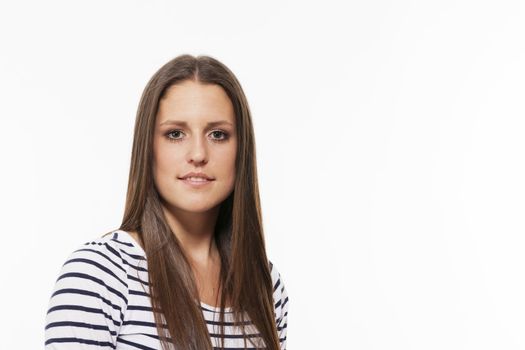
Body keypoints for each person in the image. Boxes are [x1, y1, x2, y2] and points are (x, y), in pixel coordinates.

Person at [44, 54, 289, 350]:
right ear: (148, 148)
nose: (198, 153)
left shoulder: (265, 285)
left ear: (242, 150)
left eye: (218, 134)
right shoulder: (101, 272)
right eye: (175, 134)